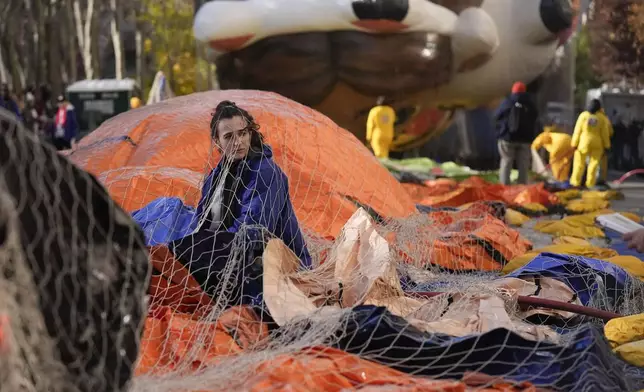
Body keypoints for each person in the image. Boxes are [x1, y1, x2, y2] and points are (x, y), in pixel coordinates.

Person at [154, 100, 311, 303]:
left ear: (251, 133)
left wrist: (206, 249)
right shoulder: (216, 176)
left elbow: (256, 231)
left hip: (266, 260)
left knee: (181, 256)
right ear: (217, 142)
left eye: (243, 133)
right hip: (229, 254)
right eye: (229, 136)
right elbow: (202, 223)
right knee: (167, 258)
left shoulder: (265, 171)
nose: (238, 142)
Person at [494, 82, 539, 185]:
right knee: (523, 164)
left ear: (513, 90)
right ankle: (522, 187)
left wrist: (500, 132)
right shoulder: (530, 103)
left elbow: (497, 117)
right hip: (525, 139)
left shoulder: (507, 102)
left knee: (506, 162)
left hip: (507, 138)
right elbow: (535, 119)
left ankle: (504, 186)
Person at [570, 99, 611, 189]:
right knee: (593, 164)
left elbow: (577, 130)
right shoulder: (601, 118)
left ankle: (575, 183)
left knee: (579, 163)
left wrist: (574, 143)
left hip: (583, 142)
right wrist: (607, 146)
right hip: (597, 143)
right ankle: (590, 184)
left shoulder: (583, 116)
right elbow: (605, 133)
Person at [597, 107, 614, 185]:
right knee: (603, 163)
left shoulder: (588, 116)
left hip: (589, 144)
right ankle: (601, 179)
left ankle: (591, 180)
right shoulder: (605, 119)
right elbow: (610, 132)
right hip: (602, 144)